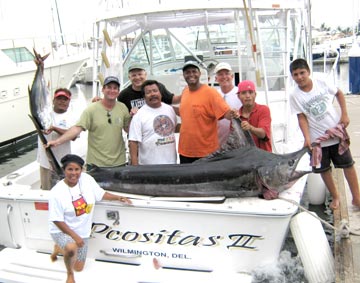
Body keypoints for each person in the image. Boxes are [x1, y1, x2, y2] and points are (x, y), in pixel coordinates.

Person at [48, 154, 131, 283]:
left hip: (83, 232)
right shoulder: (56, 192)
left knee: (79, 267)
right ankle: (70, 275)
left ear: (81, 170)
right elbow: (57, 220)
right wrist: (75, 237)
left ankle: (59, 248)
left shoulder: (87, 179)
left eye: (77, 169)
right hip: (62, 230)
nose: (74, 173)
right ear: (64, 170)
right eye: (70, 169)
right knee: (71, 248)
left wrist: (118, 197)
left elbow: (100, 194)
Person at [289, 58, 360, 210]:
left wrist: (344, 115)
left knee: (348, 165)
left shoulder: (321, 81)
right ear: (292, 76)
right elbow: (301, 118)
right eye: (295, 74)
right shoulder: (294, 95)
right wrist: (307, 139)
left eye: (302, 73)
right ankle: (335, 196)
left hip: (335, 133)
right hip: (318, 141)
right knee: (324, 170)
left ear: (308, 72)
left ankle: (357, 197)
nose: (300, 77)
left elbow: (339, 94)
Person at [47, 76, 131, 169]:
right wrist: (56, 142)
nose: (112, 90)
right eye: (109, 87)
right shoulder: (91, 109)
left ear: (118, 91)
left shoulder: (123, 108)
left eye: (115, 88)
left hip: (119, 163)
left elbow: (128, 129)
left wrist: (135, 116)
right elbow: (77, 128)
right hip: (96, 164)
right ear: (103, 89)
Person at [178, 61, 238, 163]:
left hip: (206, 153)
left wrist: (232, 114)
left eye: (194, 71)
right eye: (187, 72)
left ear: (199, 74)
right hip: (184, 151)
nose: (191, 74)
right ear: (184, 75)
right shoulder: (185, 91)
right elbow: (186, 112)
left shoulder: (211, 92)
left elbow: (225, 113)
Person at [129, 80, 177, 165]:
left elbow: (174, 128)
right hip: (149, 168)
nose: (153, 94)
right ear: (144, 97)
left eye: (155, 91)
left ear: (160, 93)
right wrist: (135, 167)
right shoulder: (138, 115)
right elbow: (133, 142)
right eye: (148, 92)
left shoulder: (170, 109)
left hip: (171, 164)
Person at [37, 88, 77, 190]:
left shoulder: (72, 116)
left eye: (65, 99)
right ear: (53, 100)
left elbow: (73, 136)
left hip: (64, 164)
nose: (62, 101)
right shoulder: (44, 114)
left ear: (69, 101)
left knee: (64, 191)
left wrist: (55, 128)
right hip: (46, 162)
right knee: (46, 192)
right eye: (59, 98)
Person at [117, 64, 182, 116]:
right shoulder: (123, 95)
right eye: (134, 75)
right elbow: (122, 116)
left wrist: (187, 93)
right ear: (129, 77)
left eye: (140, 74)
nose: (137, 77)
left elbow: (172, 99)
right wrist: (131, 115)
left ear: (145, 75)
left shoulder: (157, 87)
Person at [237, 80, 272, 152]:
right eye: (243, 93)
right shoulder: (236, 116)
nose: (248, 96)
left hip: (264, 158)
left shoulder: (264, 110)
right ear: (238, 96)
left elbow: (263, 134)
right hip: (245, 159)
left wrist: (250, 128)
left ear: (255, 94)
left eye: (250, 92)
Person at [214, 62, 242, 145]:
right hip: (218, 141)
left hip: (238, 140)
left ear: (232, 76)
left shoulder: (240, 93)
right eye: (220, 74)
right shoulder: (214, 95)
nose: (224, 77)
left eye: (227, 74)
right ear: (216, 78)